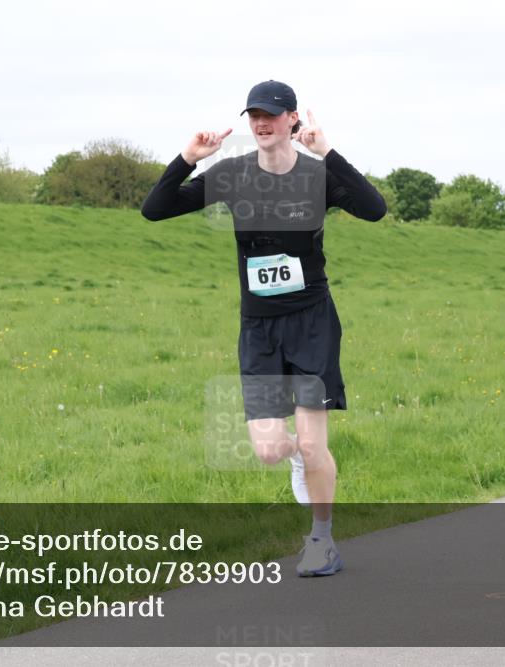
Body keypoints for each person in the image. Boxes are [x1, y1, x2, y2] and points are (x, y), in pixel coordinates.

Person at [141, 80, 386, 577]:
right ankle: (302, 458)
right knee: (273, 450)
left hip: (312, 322)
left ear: (293, 120)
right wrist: (187, 158)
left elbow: (374, 208)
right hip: (259, 329)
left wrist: (330, 152)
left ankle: (321, 541)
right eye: (254, 114)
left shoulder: (318, 176)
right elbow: (155, 209)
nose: (261, 122)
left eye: (272, 114)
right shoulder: (232, 174)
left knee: (315, 443)